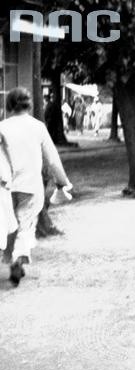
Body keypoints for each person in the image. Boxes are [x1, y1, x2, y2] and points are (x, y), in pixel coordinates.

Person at [0, 87, 74, 285]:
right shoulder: (38, 127)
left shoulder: (2, 127)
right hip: (31, 185)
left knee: (10, 226)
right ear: (29, 104)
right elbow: (53, 159)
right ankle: (17, 259)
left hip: (6, 186)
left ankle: (11, 260)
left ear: (9, 105)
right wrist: (62, 181)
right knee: (26, 224)